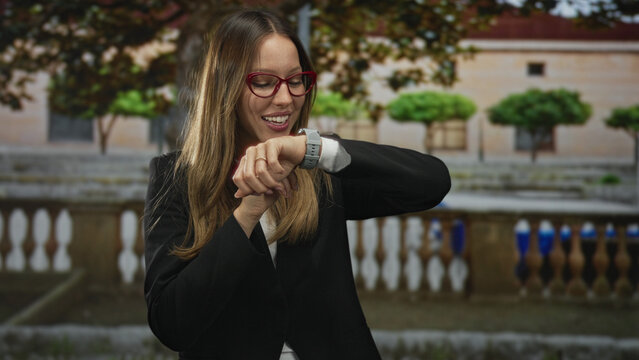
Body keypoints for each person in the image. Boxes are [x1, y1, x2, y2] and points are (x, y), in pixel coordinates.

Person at [143, 9, 451, 360]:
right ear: (225, 86)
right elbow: (171, 323)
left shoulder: (319, 170)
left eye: (295, 79)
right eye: (263, 81)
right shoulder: (175, 177)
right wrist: (246, 214)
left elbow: (432, 182)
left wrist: (312, 147)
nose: (286, 98)